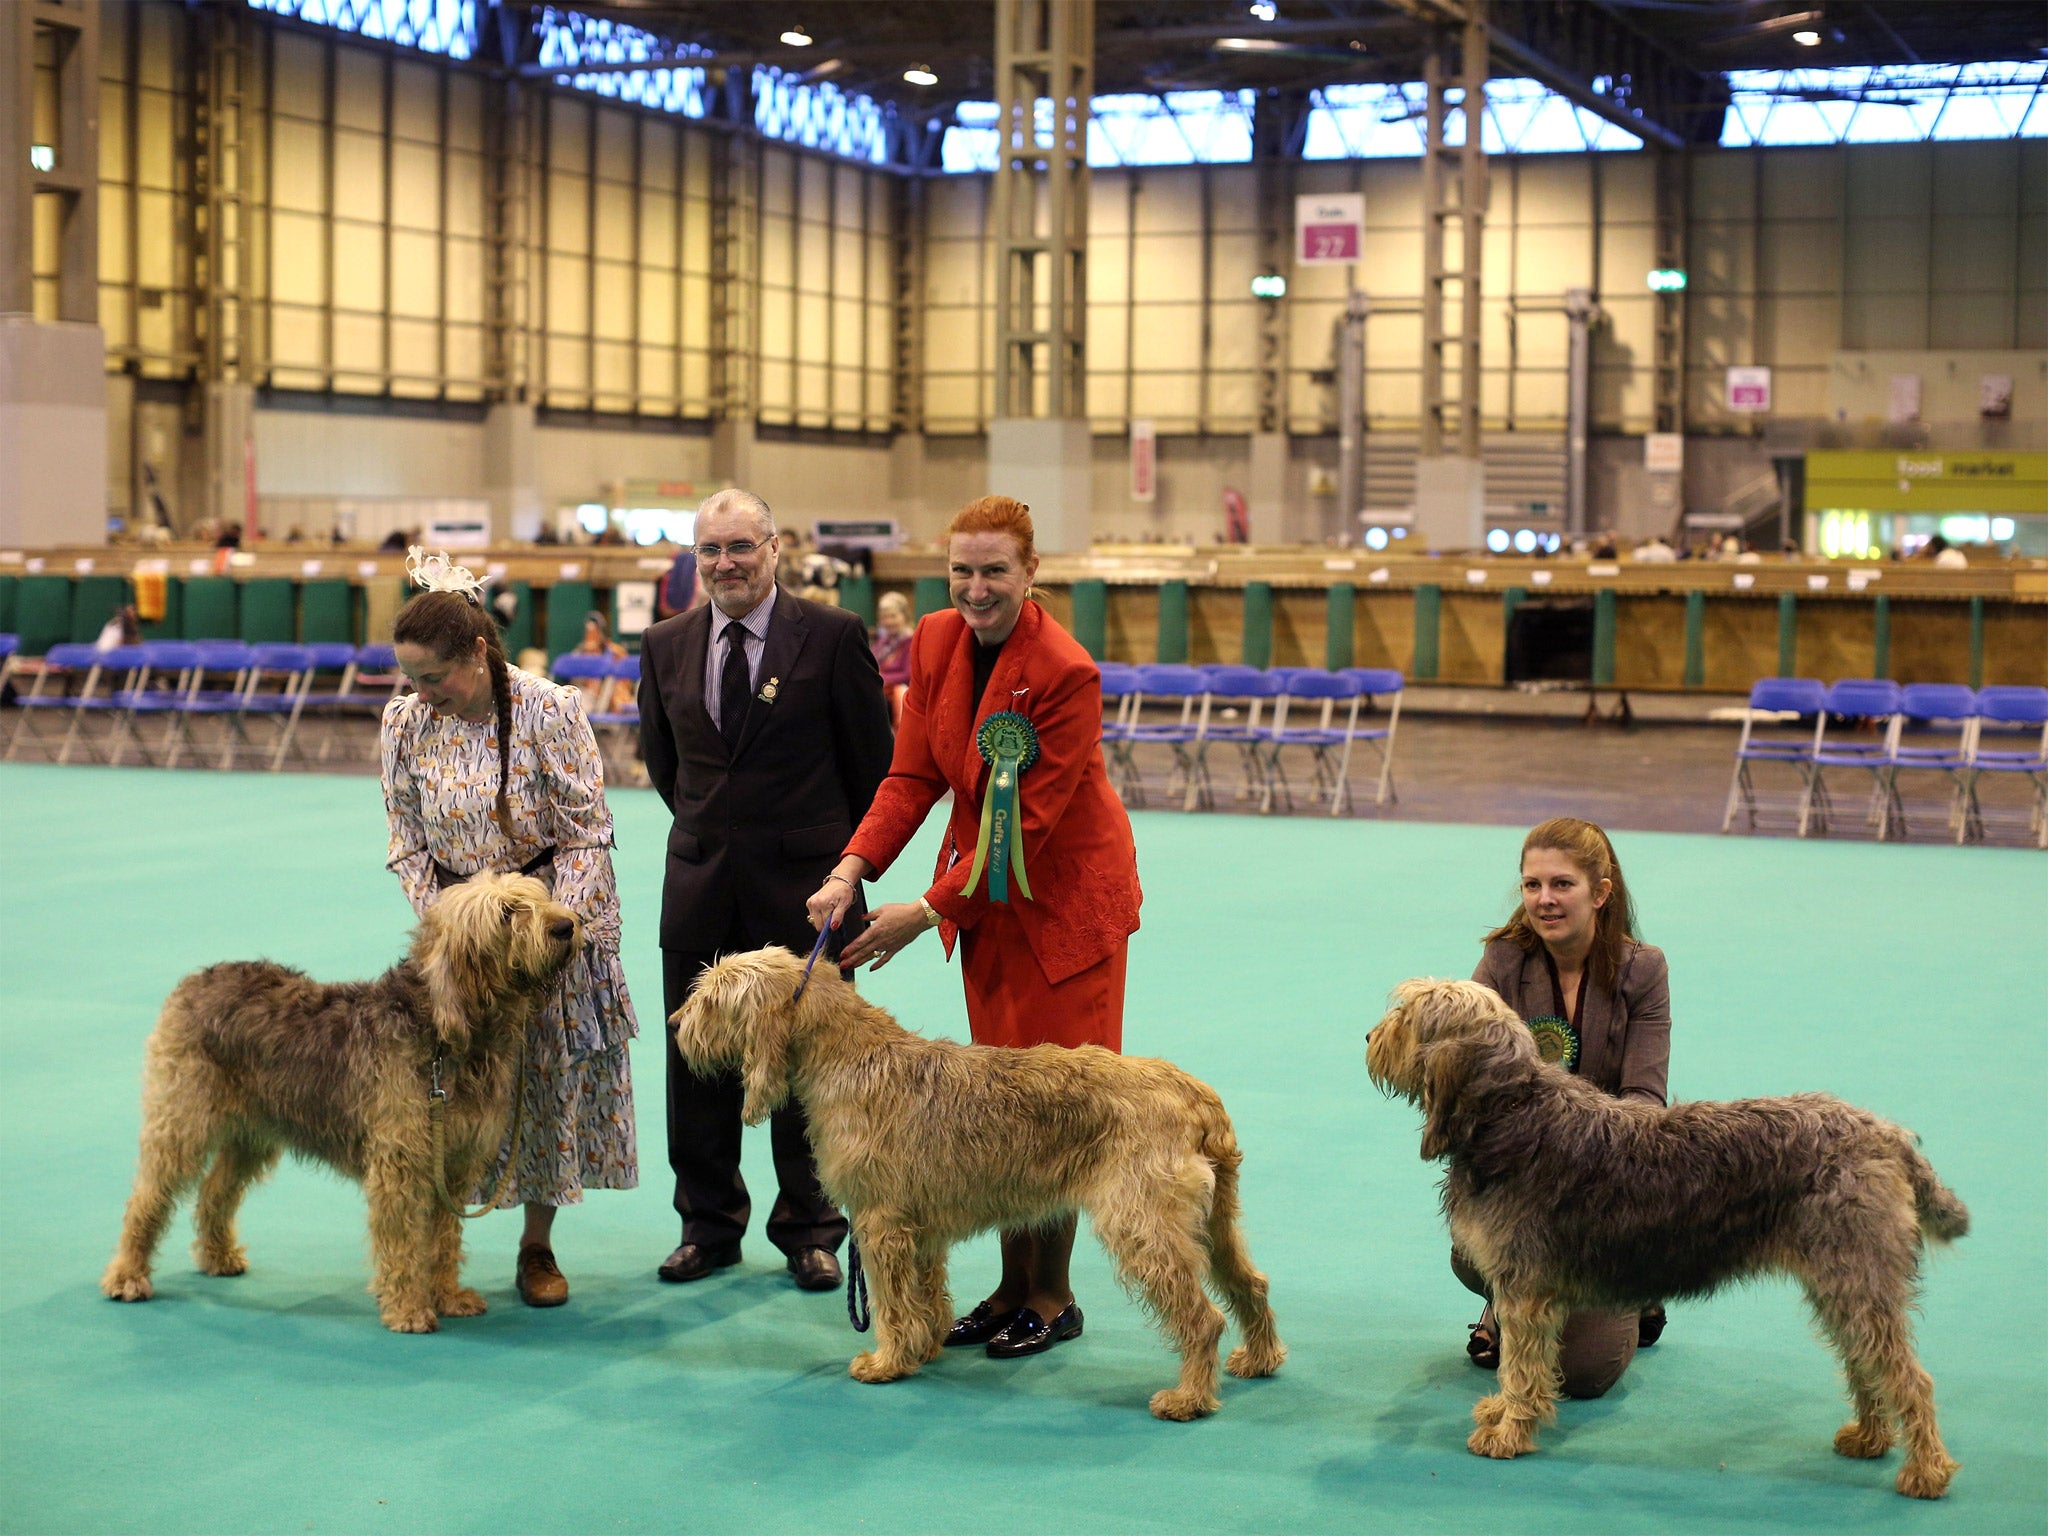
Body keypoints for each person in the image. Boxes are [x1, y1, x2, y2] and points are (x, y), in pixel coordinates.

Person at [806, 495, 1143, 1361]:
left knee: (1061, 1108)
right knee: (998, 1105)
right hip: (982, 907)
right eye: (962, 569)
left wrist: (921, 913)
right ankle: (1007, 1289)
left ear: (1032, 573)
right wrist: (852, 868)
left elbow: (1021, 830)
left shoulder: (1066, 672)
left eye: (995, 570)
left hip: (1063, 914)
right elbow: (910, 777)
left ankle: (1054, 1295)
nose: (976, 587)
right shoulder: (934, 642)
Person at [638, 489, 894, 1293]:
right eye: (710, 550)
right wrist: (716, 832)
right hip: (700, 886)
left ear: (775, 549)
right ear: (695, 558)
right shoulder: (664, 643)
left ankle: (812, 1229)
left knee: (812, 1068)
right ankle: (706, 1227)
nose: (725, 564)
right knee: (697, 1069)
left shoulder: (833, 635)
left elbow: (873, 768)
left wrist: (844, 870)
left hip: (807, 894)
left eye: (741, 547)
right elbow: (666, 767)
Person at [381, 548, 639, 1310]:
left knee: (545, 1080)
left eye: (437, 678)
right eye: (411, 680)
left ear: (478, 653)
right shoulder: (403, 722)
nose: (423, 695)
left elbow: (588, 831)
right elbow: (406, 841)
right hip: (461, 938)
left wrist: (557, 929)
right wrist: (447, 929)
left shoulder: (546, 708)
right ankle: (442, 1247)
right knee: (445, 1090)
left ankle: (537, 1247)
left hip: (547, 922)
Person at [1460, 816, 1670, 1398]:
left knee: (1581, 1374)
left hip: (1608, 1187)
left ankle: (1638, 1283)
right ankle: (1508, 1303)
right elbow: (1471, 1073)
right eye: (1532, 885)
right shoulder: (1503, 962)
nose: (1544, 900)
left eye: (1562, 884)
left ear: (1600, 892)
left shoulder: (1643, 969)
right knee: (1471, 1254)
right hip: (1525, 1185)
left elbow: (1646, 1101)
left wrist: (1574, 1145)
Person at [869, 590, 913, 726]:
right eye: (884, 617)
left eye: (893, 616)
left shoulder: (911, 640)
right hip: (879, 693)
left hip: (899, 696)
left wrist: (880, 679)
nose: (888, 621)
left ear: (904, 616)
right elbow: (870, 665)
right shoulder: (883, 641)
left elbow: (908, 675)